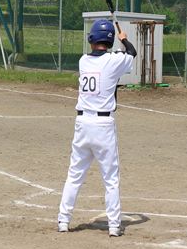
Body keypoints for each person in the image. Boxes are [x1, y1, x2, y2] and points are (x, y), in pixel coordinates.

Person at [57, 19, 136, 237]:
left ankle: (63, 220)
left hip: (82, 124)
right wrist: (123, 39)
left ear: (92, 39)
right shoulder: (113, 60)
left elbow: (113, 56)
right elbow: (132, 53)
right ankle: (114, 226)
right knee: (110, 179)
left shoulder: (83, 61)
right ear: (109, 41)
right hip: (103, 125)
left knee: (74, 175)